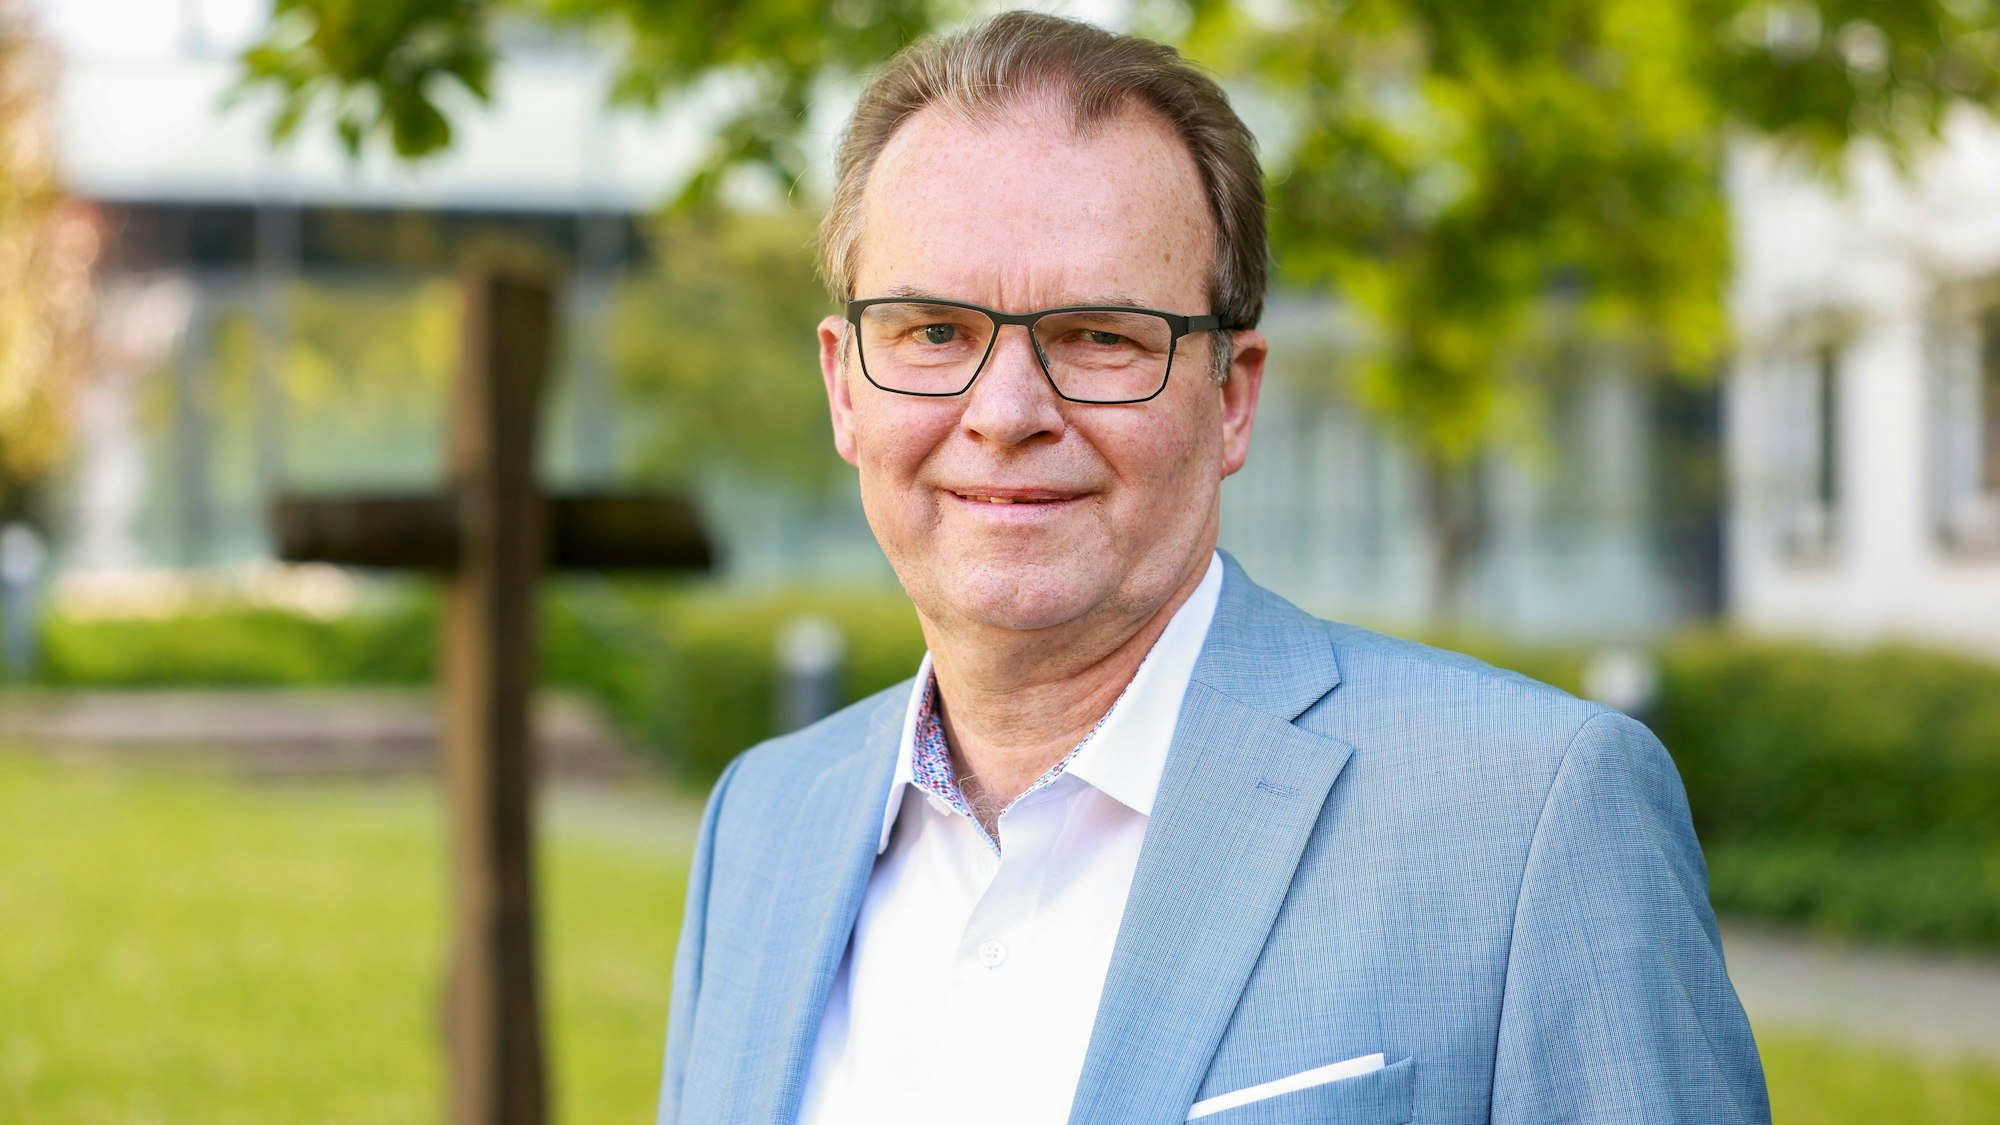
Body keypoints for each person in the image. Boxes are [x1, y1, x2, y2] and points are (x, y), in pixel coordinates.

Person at [657, 11, 1768, 1124]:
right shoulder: (761, 823)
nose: (1004, 415)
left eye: (1099, 335)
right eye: (933, 332)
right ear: (845, 384)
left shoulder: (1531, 817)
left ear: (1231, 398)